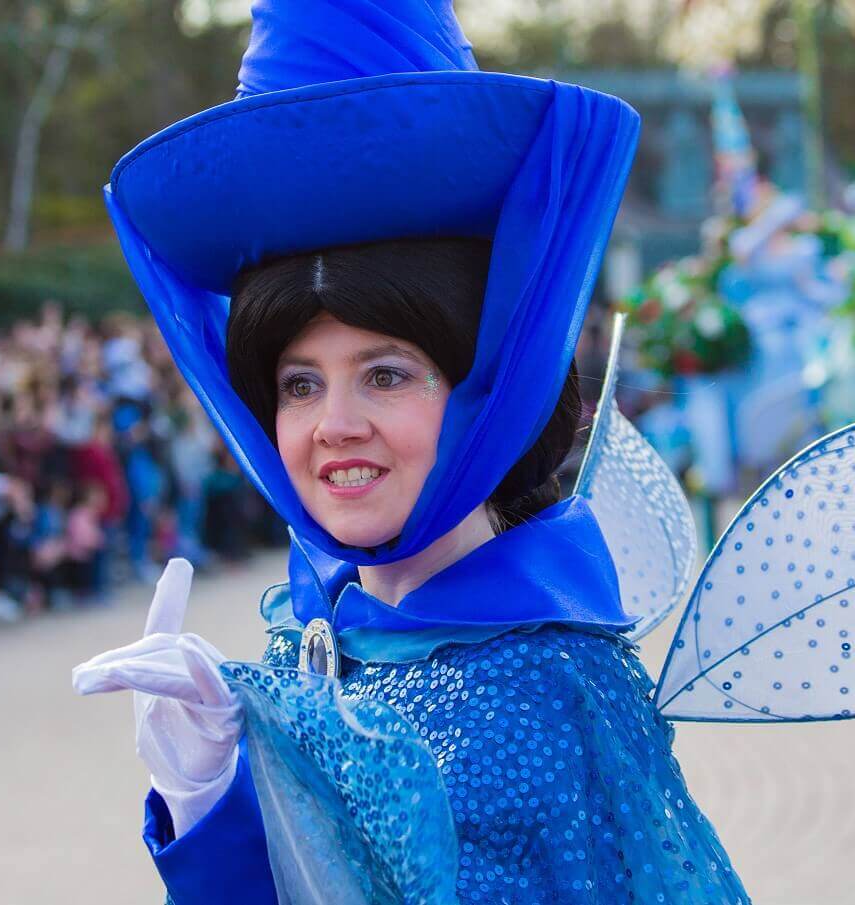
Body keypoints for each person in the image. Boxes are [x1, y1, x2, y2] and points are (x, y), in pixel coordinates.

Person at [73, 2, 756, 903]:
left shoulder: (551, 689)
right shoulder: (309, 648)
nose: (333, 425)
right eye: (299, 384)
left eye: (386, 375)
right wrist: (207, 799)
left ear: (486, 395)